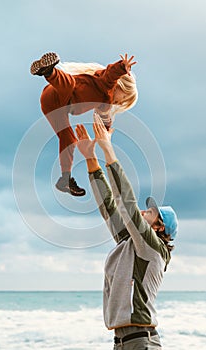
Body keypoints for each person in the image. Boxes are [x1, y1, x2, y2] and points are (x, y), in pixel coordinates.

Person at [75, 114, 178, 349]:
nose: (143, 212)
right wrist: (91, 159)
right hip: (122, 342)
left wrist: (108, 150)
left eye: (150, 213)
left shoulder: (153, 249)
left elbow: (127, 204)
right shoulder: (129, 243)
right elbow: (109, 206)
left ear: (159, 227)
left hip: (142, 342)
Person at [30, 52, 138, 196]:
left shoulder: (105, 104)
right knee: (69, 85)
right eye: (123, 98)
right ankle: (49, 71)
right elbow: (111, 73)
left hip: (54, 107)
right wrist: (122, 67)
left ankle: (65, 179)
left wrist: (105, 134)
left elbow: (103, 119)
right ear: (121, 86)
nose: (119, 103)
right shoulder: (107, 83)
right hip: (60, 93)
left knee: (69, 139)